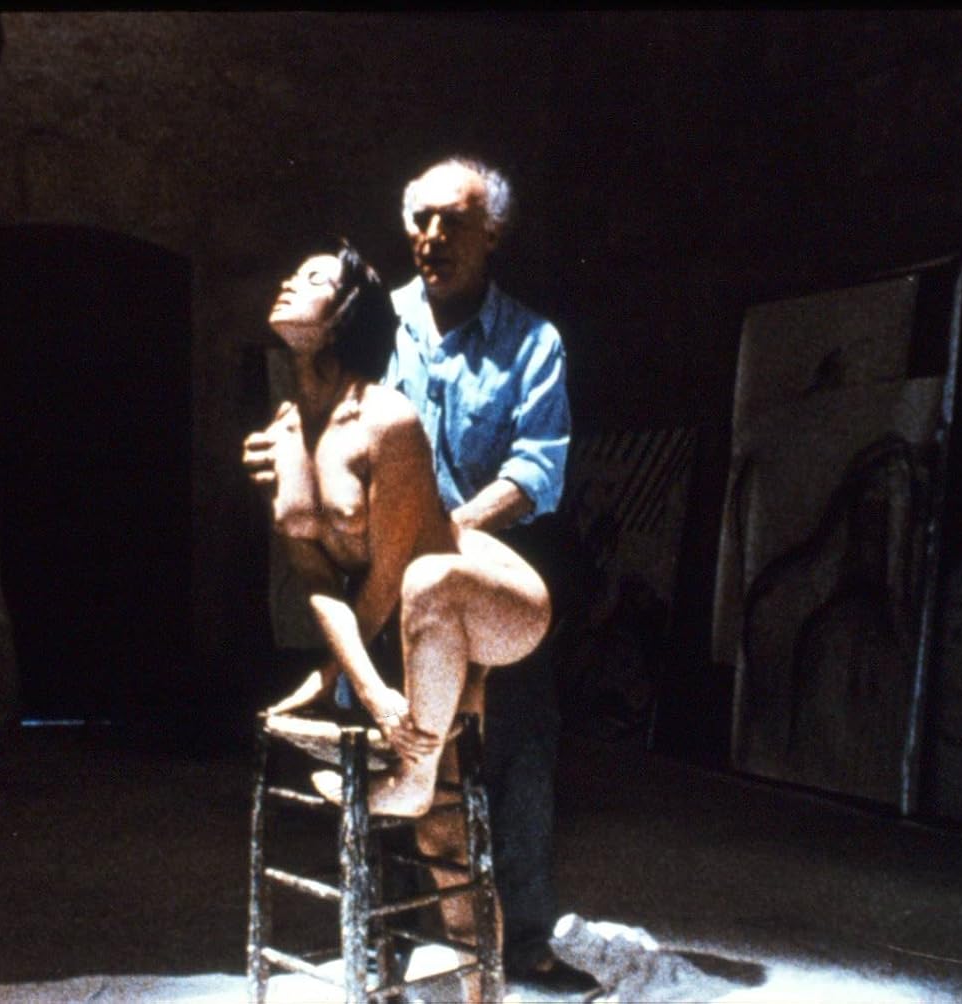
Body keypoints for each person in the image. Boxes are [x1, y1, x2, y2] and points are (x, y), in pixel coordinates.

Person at [253, 238, 552, 823]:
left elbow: (390, 576)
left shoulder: (386, 419)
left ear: (341, 319)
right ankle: (422, 794)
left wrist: (348, 680)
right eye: (293, 273)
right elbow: (317, 582)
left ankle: (414, 781)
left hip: (495, 598)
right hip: (411, 619)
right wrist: (340, 678)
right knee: (439, 836)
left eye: (314, 280)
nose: (289, 283)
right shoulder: (279, 437)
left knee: (425, 579)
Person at [386, 156, 592, 993]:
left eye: (455, 222)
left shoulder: (533, 342)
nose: (433, 237)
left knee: (519, 755)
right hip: (390, 584)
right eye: (421, 219)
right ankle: (392, 942)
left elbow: (538, 469)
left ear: (492, 234)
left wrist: (448, 535)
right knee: (397, 755)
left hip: (492, 576)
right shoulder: (377, 325)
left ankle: (526, 944)